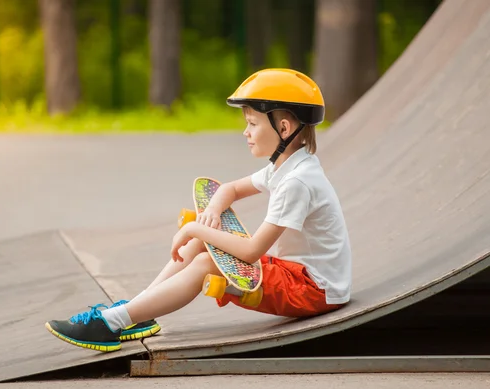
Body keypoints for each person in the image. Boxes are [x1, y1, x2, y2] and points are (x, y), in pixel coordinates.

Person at [45, 68, 352, 352]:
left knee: (205, 262)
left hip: (314, 289)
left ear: (283, 128)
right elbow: (228, 190)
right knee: (200, 244)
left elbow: (250, 251)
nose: (245, 132)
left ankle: (111, 323)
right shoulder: (285, 167)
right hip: (295, 273)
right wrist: (213, 214)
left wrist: (195, 227)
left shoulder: (297, 182)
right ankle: (136, 312)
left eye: (252, 124)